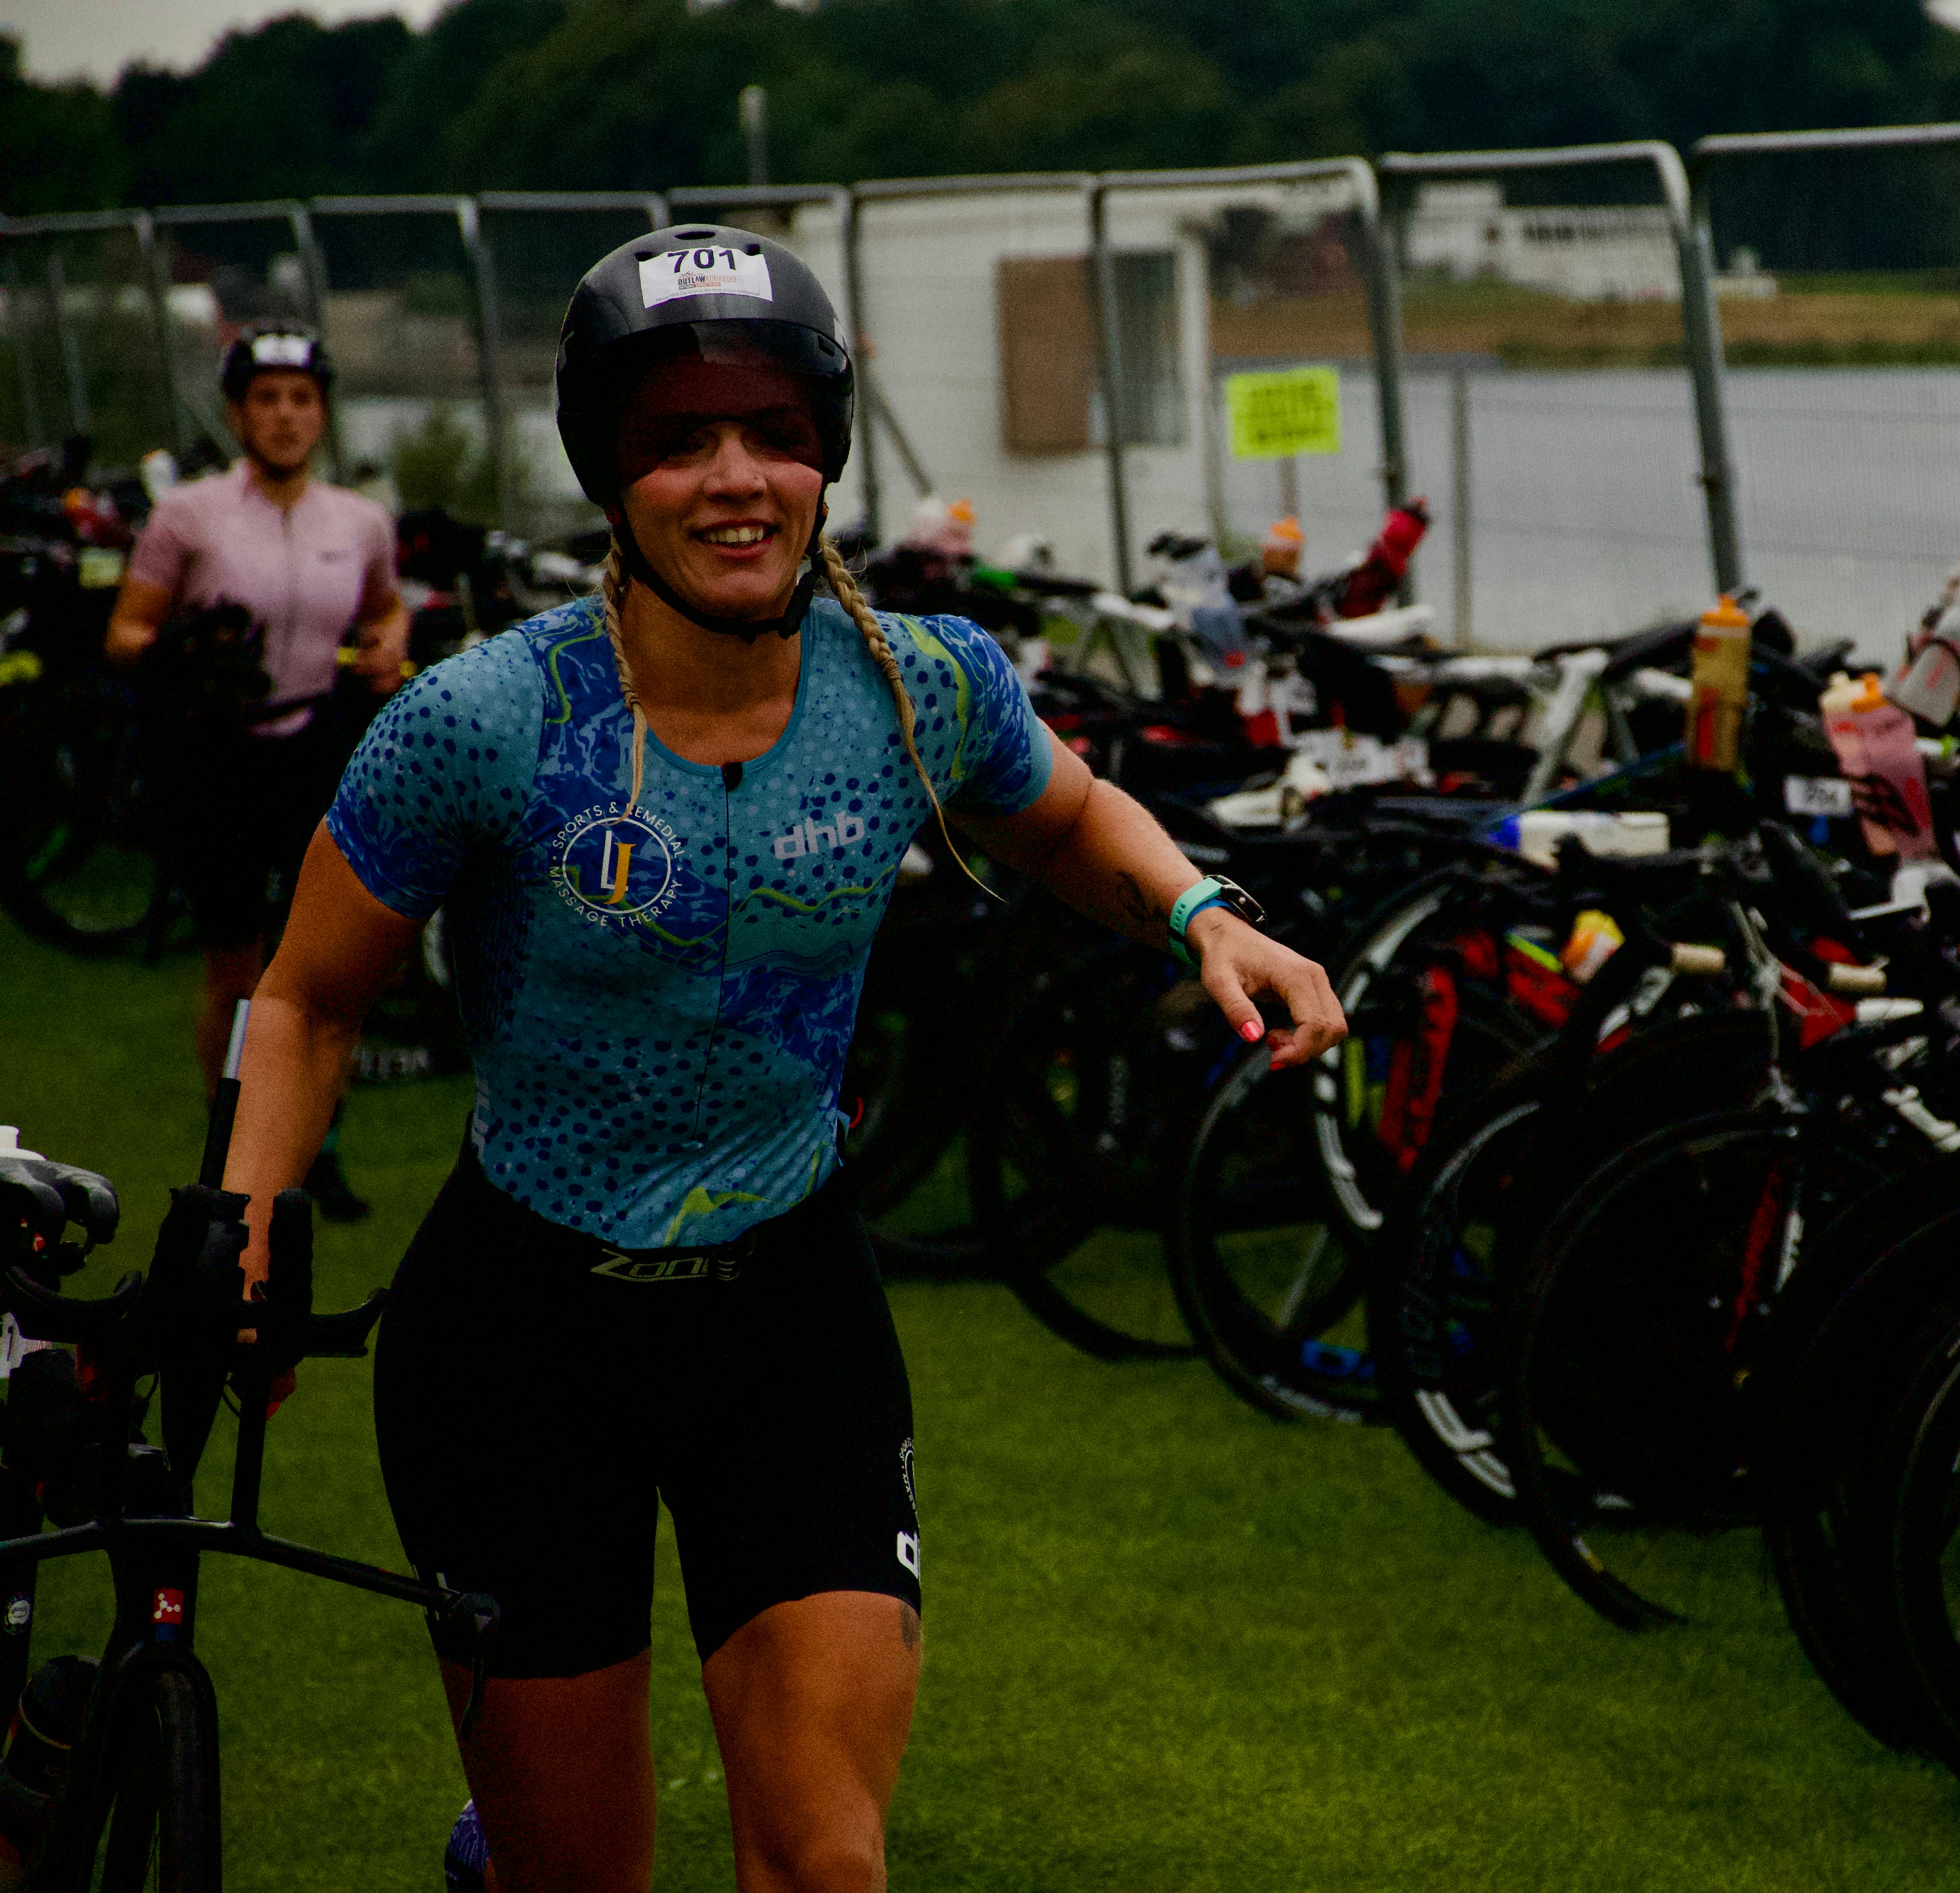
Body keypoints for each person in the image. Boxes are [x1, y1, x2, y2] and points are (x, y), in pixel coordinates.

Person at [218, 225, 1347, 1892]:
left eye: (770, 433)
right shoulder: (485, 721)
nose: (732, 478)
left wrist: (1203, 914)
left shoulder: (915, 688)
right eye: (676, 441)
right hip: (521, 1335)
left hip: (782, 1313)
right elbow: (307, 1002)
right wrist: (242, 1240)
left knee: (827, 1863)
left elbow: (1068, 818)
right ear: (609, 471)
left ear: (822, 449)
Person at [106, 322, 406, 1218]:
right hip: (217, 754)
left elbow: (387, 614)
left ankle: (323, 1155)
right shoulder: (187, 516)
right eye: (267, 400)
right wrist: (176, 652)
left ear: (322, 415)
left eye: (302, 400)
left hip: (314, 744)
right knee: (237, 968)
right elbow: (123, 634)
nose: (285, 417)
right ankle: (229, 1144)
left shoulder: (359, 521)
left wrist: (387, 649)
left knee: (324, 967)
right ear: (238, 413)